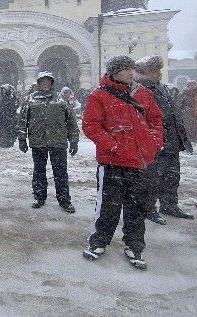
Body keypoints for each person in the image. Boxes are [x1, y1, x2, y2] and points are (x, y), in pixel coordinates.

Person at [82, 56, 163, 270]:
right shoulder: (99, 96)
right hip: (112, 162)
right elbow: (91, 125)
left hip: (139, 162)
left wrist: (153, 143)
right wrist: (113, 145)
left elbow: (156, 120)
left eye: (132, 69)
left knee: (136, 207)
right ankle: (99, 240)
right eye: (126, 69)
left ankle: (134, 245)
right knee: (108, 205)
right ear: (114, 72)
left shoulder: (143, 94)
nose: (131, 72)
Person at [135, 56, 194, 224]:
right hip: (156, 143)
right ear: (144, 73)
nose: (159, 73)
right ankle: (148, 208)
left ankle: (169, 205)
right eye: (154, 71)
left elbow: (173, 115)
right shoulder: (141, 90)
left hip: (172, 142)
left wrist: (181, 138)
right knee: (152, 179)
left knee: (172, 176)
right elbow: (143, 119)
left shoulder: (162, 88)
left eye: (159, 70)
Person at [17, 72, 79, 212]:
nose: (45, 84)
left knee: (61, 172)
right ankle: (39, 197)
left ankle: (64, 200)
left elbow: (71, 121)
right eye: (42, 82)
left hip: (58, 142)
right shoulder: (30, 100)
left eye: (48, 81)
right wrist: (22, 139)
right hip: (38, 142)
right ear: (38, 84)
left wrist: (74, 140)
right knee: (39, 171)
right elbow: (22, 121)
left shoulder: (61, 100)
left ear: (52, 83)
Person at [177, 80, 197, 154]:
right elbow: (178, 104)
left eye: (194, 85)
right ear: (188, 86)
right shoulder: (183, 94)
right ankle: (188, 149)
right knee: (187, 132)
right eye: (191, 85)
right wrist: (185, 110)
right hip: (187, 116)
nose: (193, 86)